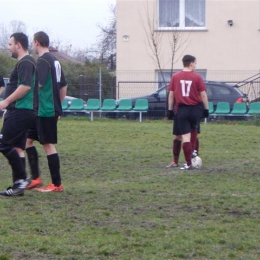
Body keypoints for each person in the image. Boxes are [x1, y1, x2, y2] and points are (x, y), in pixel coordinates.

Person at [25, 31, 67, 192]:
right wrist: (58, 106)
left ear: (36, 42)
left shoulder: (42, 60)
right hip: (43, 110)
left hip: (44, 110)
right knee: (27, 141)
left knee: (48, 145)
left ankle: (57, 184)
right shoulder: (55, 60)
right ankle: (36, 178)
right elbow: (63, 86)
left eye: (33, 43)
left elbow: (39, 85)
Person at [0, 32, 37, 196]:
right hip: (18, 110)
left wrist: (6, 102)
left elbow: (25, 86)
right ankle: (18, 187)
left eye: (9, 44)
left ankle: (22, 178)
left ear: (18, 45)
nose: (8, 47)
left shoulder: (26, 62)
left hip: (22, 110)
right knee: (16, 147)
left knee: (3, 144)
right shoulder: (24, 63)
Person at [167, 54, 209, 170]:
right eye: (195, 63)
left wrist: (169, 110)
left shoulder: (175, 76)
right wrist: (206, 109)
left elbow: (171, 95)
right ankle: (179, 161)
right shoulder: (197, 77)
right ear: (191, 64)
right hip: (195, 109)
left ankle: (190, 160)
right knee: (185, 134)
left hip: (181, 110)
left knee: (187, 136)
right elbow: (203, 94)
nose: (195, 66)